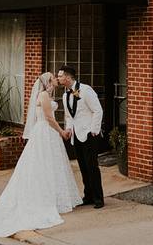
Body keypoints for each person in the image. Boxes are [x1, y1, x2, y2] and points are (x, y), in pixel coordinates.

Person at [0, 72, 82, 238]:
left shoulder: (48, 94)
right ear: (48, 81)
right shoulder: (43, 95)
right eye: (53, 77)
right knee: (43, 165)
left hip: (48, 133)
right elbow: (49, 117)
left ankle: (56, 198)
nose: (56, 78)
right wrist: (62, 131)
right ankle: (45, 200)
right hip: (45, 132)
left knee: (51, 166)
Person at [57, 64, 105, 209]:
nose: (58, 78)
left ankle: (98, 198)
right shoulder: (66, 95)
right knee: (83, 167)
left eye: (60, 76)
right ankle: (88, 196)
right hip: (76, 135)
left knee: (92, 166)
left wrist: (94, 129)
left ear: (68, 77)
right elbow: (69, 116)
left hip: (89, 133)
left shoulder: (86, 90)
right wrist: (69, 129)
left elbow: (98, 110)